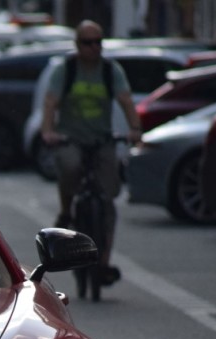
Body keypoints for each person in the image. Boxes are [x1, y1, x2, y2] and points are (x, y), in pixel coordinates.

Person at [39, 20, 143, 287]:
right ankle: (65, 211)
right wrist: (48, 131)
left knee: (108, 200)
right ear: (77, 45)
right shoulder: (67, 70)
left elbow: (126, 100)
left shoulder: (110, 71)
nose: (94, 47)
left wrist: (134, 129)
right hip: (71, 138)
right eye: (88, 42)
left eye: (99, 42)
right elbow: (51, 102)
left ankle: (104, 263)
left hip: (101, 141)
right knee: (70, 166)